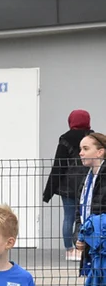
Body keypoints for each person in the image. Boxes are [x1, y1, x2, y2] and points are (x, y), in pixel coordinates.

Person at [74, 132, 106, 286]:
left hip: (101, 249)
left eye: (86, 148)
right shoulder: (88, 177)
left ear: (100, 151)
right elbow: (82, 210)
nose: (81, 152)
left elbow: (100, 213)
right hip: (92, 251)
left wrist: (89, 235)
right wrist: (80, 234)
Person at [44, 111, 95, 262]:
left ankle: (69, 250)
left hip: (68, 186)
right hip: (88, 184)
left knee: (68, 217)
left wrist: (48, 192)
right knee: (86, 216)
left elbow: (58, 166)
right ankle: (82, 248)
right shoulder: (92, 139)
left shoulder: (65, 139)